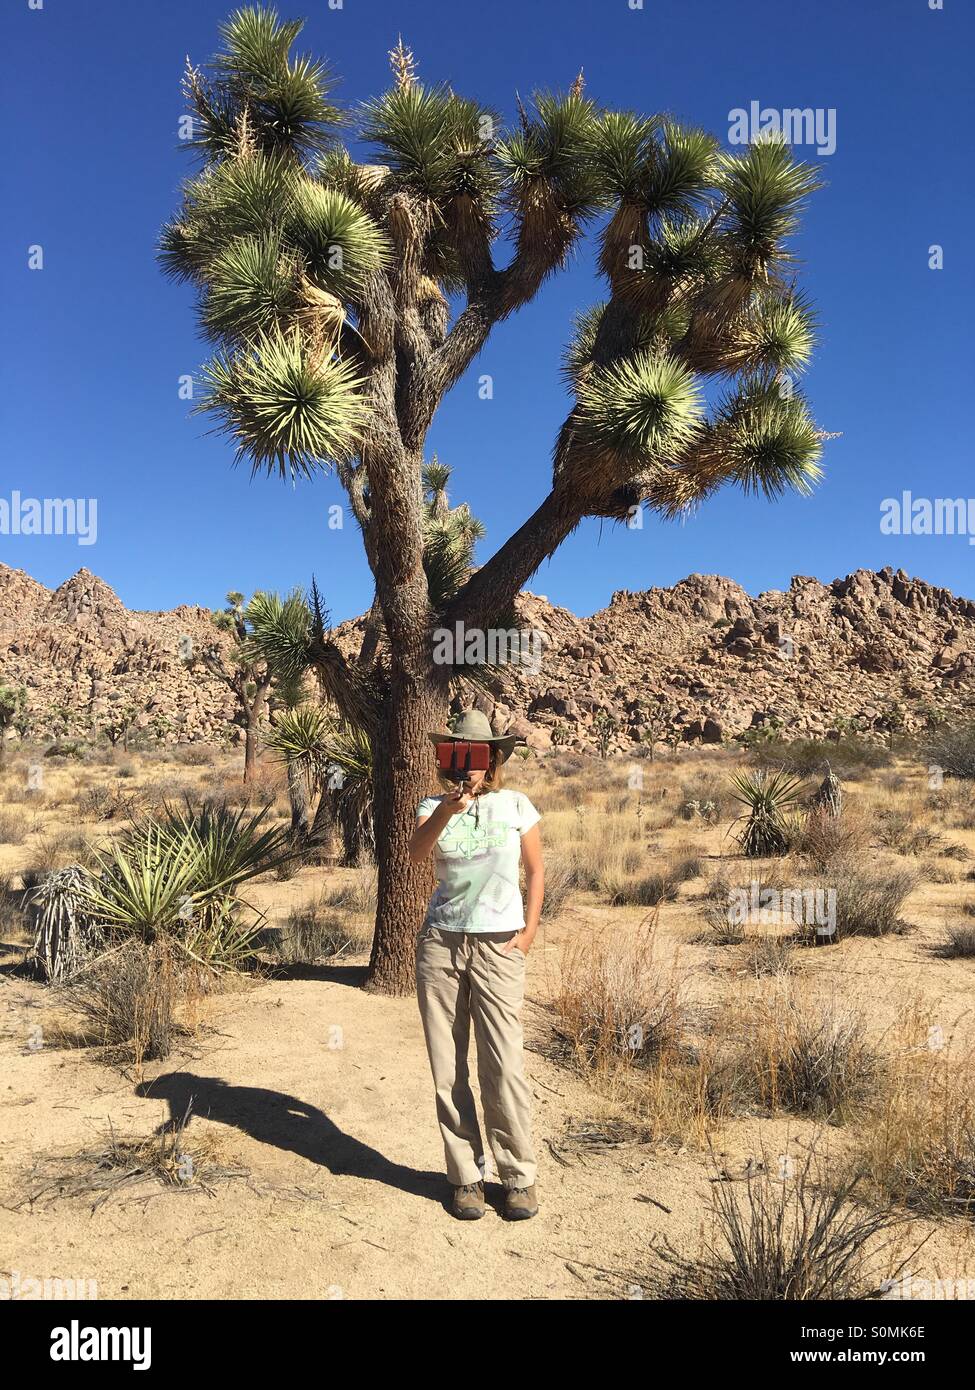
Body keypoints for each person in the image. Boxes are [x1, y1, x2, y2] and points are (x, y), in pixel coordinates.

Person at [409, 710, 544, 1221]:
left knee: (503, 1062)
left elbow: (535, 870)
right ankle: (465, 1177)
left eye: (478, 757)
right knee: (448, 1064)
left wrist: (528, 933)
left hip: (498, 946)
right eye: (458, 756)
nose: (467, 767)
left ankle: (517, 1176)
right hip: (442, 944)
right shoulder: (431, 805)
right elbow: (418, 854)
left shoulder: (516, 805)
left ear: (493, 761)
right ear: (446, 759)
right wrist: (447, 810)